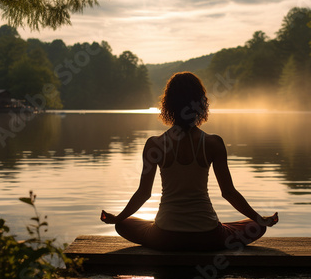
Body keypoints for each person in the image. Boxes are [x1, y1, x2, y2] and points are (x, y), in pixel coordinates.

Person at [101, 72, 278, 251]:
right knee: (256, 226)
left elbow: (143, 193)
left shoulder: (155, 144)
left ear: (168, 104)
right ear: (201, 104)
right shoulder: (213, 143)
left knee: (123, 224)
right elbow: (229, 193)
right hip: (208, 237)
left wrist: (118, 218)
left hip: (164, 237)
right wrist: (259, 219)